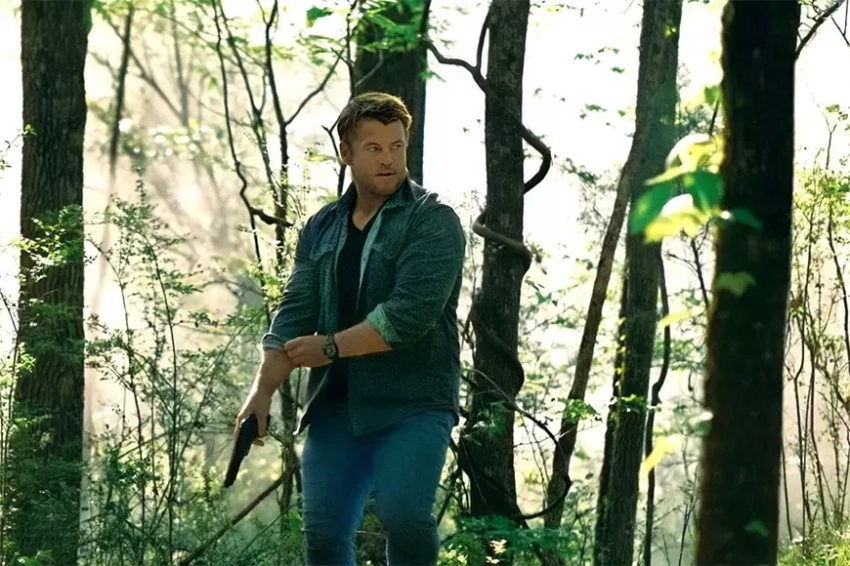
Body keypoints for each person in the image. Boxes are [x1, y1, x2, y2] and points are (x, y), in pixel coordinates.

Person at [235, 91, 466, 566]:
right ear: (347, 153)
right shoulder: (322, 226)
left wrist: (330, 348)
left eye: (396, 146)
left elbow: (406, 316)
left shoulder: (434, 221)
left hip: (414, 403)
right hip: (335, 407)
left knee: (404, 516)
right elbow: (295, 312)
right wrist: (261, 393)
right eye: (374, 148)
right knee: (322, 537)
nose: (388, 160)